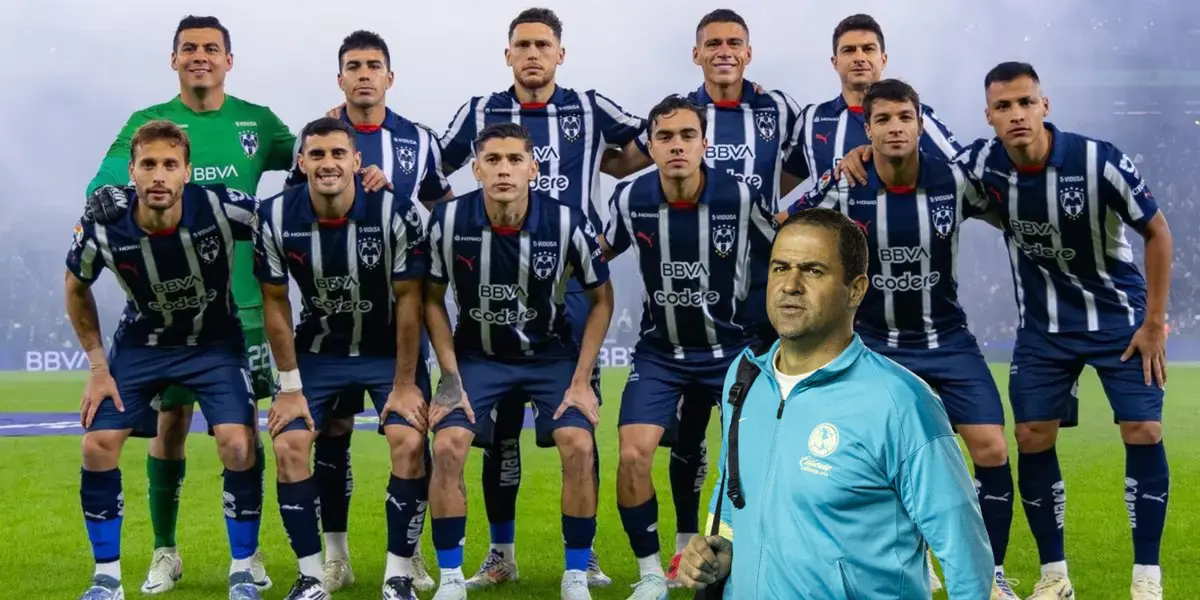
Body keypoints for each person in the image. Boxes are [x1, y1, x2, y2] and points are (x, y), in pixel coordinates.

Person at [782, 78, 1020, 599]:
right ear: (866, 130)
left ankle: (991, 574)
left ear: (919, 124)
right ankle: (907, 561)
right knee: (871, 460)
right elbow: (783, 220)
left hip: (946, 337)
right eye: (883, 120)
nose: (895, 128)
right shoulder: (846, 185)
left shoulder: (953, 180)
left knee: (992, 448)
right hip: (874, 345)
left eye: (904, 118)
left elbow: (1009, 210)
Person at [677, 207, 993, 599]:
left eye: (812, 270)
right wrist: (720, 554)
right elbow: (733, 494)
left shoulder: (901, 402)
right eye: (780, 268)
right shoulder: (745, 378)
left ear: (856, 289)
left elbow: (965, 555)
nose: (790, 285)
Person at [438, 7, 648, 588]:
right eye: (523, 45)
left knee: (578, 421)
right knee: (498, 434)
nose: (533, 54)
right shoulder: (479, 111)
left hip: (571, 283)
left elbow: (650, 145)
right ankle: (499, 554)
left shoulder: (589, 107)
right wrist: (456, 225)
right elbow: (432, 171)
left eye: (543, 45)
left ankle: (585, 557)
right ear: (507, 54)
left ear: (561, 53)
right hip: (496, 276)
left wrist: (607, 174)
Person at [83, 16, 291, 593]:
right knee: (169, 425)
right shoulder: (148, 125)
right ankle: (164, 550)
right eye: (190, 49)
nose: (201, 56)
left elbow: (310, 166)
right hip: (166, 315)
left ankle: (249, 557)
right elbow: (104, 189)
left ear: (229, 60)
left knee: (243, 432)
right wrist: (109, 197)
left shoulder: (259, 122)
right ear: (173, 59)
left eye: (211, 49)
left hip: (242, 311)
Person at [955, 62, 1171, 600]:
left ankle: (1147, 578)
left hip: (1118, 319)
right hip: (1044, 327)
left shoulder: (1098, 160)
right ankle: (1055, 576)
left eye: (1025, 102)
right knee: (1032, 436)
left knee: (1143, 430)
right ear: (989, 116)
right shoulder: (982, 164)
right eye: (1003, 107)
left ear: (1044, 106)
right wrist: (857, 156)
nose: (1016, 114)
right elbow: (927, 172)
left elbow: (1158, 232)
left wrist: (1154, 322)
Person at [67, 121, 265, 600]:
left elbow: (289, 218)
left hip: (215, 343)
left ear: (187, 172)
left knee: (239, 445)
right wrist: (97, 368)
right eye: (148, 164)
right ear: (132, 171)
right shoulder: (102, 225)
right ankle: (106, 580)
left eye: (170, 165)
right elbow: (75, 287)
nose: (159, 175)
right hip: (143, 344)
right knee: (97, 446)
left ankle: (243, 570)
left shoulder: (221, 206)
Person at [423, 122, 614, 600]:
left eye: (514, 160)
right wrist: (449, 376)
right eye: (492, 160)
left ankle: (576, 574)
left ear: (533, 169)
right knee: (447, 446)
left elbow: (602, 300)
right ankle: (452, 578)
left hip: (549, 355)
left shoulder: (566, 221)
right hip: (478, 355)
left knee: (578, 444)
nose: (503, 170)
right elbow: (430, 298)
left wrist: (581, 380)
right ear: (476, 170)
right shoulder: (448, 221)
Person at [599, 95, 776, 600]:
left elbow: (781, 249)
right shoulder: (629, 198)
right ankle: (653, 575)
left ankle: (754, 560)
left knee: (757, 457)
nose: (676, 145)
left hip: (731, 349)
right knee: (633, 455)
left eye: (687, 136)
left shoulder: (739, 196)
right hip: (662, 351)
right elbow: (596, 253)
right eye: (665, 137)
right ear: (651, 146)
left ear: (704, 144)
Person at [648, 12, 804, 583]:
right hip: (703, 291)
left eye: (734, 42)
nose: (723, 51)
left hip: (766, 284)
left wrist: (783, 214)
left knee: (763, 425)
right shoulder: (682, 116)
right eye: (712, 43)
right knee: (690, 427)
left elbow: (805, 166)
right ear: (696, 54)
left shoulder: (777, 108)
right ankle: (686, 543)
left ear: (749, 51)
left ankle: (764, 539)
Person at [293, 30, 451, 593]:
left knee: (411, 436)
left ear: (390, 76)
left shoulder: (419, 140)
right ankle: (335, 557)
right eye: (354, 66)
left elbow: (441, 211)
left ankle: (408, 557)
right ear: (340, 78)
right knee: (331, 434)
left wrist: (391, 198)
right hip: (331, 324)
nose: (364, 74)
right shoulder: (316, 139)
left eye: (373, 65)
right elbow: (299, 210)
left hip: (395, 325)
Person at [254, 117, 432, 600]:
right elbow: (275, 302)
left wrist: (405, 384)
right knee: (289, 445)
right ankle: (315, 576)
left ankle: (399, 575)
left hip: (387, 350)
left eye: (337, 154)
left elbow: (411, 299)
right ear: (301, 162)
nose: (327, 163)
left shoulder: (395, 211)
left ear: (356, 160)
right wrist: (289, 388)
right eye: (317, 154)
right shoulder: (274, 216)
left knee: (408, 441)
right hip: (320, 349)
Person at [780, 14, 960, 217]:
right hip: (833, 237)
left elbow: (965, 177)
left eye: (868, 49)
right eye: (849, 50)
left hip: (903, 233)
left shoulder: (917, 116)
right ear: (835, 62)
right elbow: (776, 186)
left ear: (883, 59)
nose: (859, 58)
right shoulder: (812, 120)